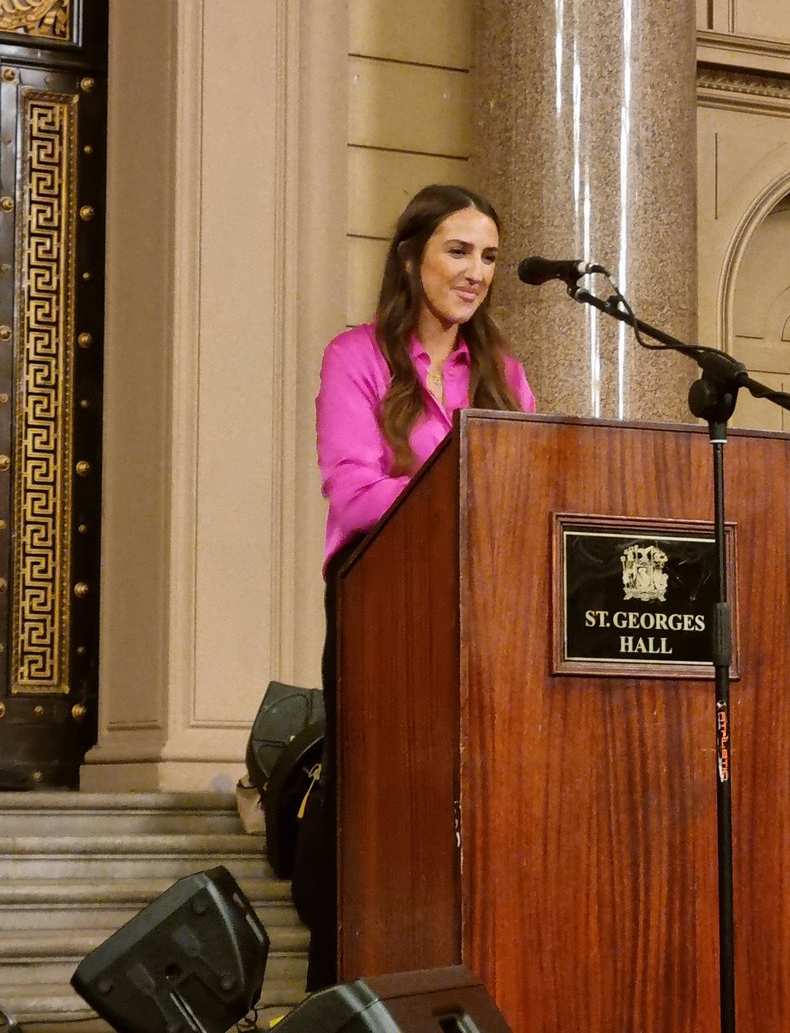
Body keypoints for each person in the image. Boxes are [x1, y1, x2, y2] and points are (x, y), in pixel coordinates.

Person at [299, 183, 536, 991]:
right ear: (411, 257)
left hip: (480, 614)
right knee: (379, 811)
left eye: (490, 257)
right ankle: (345, 991)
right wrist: (465, 488)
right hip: (381, 607)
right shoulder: (354, 357)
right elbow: (355, 493)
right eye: (458, 250)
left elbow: (526, 494)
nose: (476, 272)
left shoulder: (503, 373)